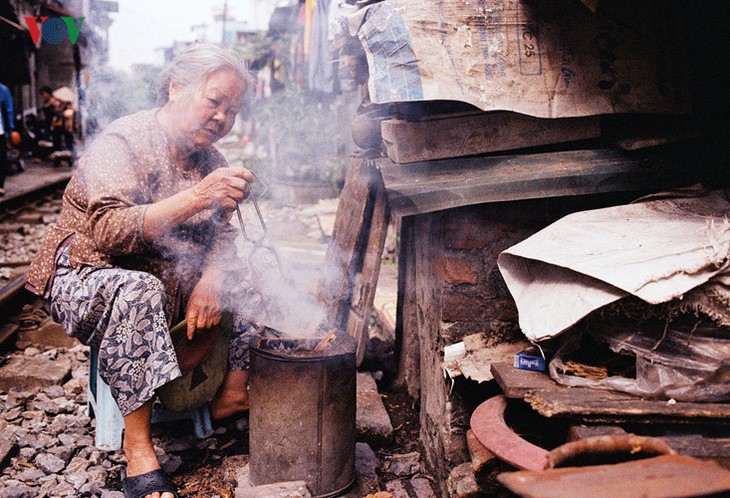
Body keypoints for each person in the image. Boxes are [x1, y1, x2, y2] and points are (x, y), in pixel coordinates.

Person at [27, 44, 256, 498]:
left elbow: (225, 238)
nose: (222, 117)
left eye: (233, 109)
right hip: (90, 271)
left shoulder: (213, 161)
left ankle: (231, 396)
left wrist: (210, 281)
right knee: (138, 290)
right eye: (214, 101)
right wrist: (198, 197)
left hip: (168, 276)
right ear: (176, 88)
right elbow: (111, 232)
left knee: (255, 272)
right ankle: (138, 449)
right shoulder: (124, 140)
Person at [0, 81, 15, 196]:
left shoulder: (3, 90)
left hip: (0, 131)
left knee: (1, 158)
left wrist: (9, 130)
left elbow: (8, 111)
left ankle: (0, 185)